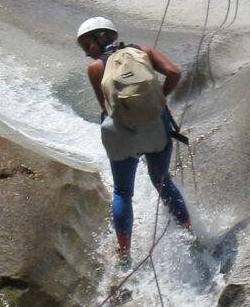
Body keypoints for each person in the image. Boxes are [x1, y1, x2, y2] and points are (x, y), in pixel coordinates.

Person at [77, 16, 191, 266]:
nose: (87, 53)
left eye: (88, 45)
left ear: (102, 36)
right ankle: (188, 233)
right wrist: (158, 99)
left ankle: (125, 253)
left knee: (122, 191)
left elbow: (106, 107)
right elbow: (174, 72)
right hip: (155, 127)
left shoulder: (95, 68)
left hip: (121, 134)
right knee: (162, 181)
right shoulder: (145, 51)